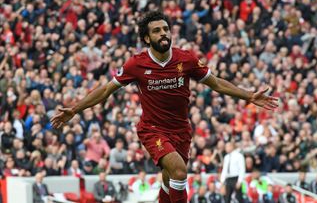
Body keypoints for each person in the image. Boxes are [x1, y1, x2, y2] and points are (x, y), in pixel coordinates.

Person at [50, 11, 278, 203]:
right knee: (179, 171)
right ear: (147, 38)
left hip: (181, 130)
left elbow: (216, 83)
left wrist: (248, 95)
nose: (163, 34)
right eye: (157, 31)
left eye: (165, 29)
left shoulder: (185, 59)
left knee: (170, 183)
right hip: (153, 129)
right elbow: (106, 90)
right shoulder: (136, 64)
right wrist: (75, 109)